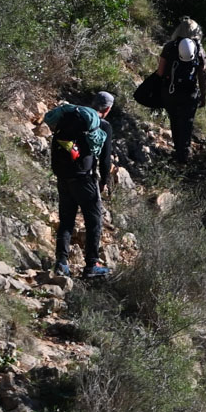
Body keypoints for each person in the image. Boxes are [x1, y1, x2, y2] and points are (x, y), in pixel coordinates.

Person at [44, 92, 116, 279]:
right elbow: (105, 160)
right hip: (84, 179)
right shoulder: (104, 126)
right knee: (93, 221)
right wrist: (104, 181)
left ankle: (61, 263)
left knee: (66, 220)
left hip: (63, 176)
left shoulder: (71, 116)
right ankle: (92, 264)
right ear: (107, 109)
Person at [157, 19, 206, 165]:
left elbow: (160, 72)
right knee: (187, 123)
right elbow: (202, 75)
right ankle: (183, 157)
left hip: (170, 91)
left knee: (174, 120)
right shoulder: (199, 49)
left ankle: (178, 150)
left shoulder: (169, 46)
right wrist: (203, 96)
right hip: (190, 93)